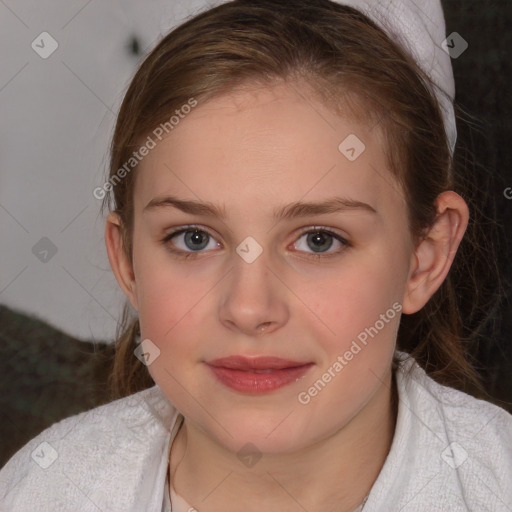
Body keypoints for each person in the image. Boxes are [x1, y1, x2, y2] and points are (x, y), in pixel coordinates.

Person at [1, 0, 511, 510]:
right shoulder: (43, 490)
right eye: (194, 238)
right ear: (129, 261)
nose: (248, 309)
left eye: (319, 240)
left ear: (424, 256)